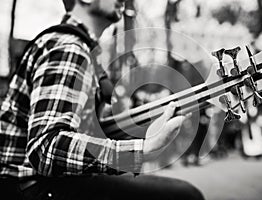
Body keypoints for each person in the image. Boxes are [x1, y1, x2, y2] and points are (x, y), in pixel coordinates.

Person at [0, 0, 205, 199]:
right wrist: (142, 149)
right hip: (31, 186)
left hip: (42, 182)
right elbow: (46, 148)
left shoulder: (83, 50)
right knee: (184, 195)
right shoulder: (69, 48)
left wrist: (143, 128)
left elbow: (83, 133)